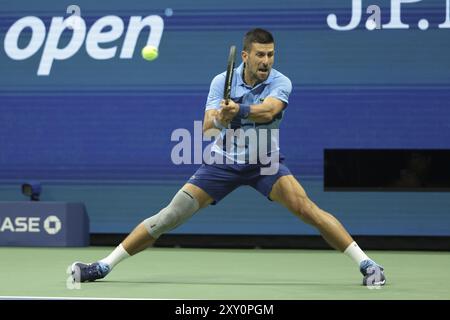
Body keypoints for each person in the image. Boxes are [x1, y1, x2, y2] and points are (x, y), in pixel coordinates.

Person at [71, 28, 385, 287]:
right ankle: (102, 267)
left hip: (265, 161)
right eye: (260, 55)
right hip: (222, 163)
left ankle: (368, 264)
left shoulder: (280, 81)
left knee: (306, 208)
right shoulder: (221, 81)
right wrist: (223, 117)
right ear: (245, 56)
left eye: (271, 54)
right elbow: (207, 126)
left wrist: (241, 110)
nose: (266, 61)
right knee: (169, 216)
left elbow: (271, 110)